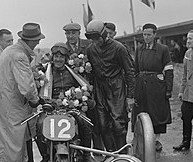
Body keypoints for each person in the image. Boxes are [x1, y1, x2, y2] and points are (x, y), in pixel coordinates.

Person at [0, 22, 44, 162]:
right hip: (12, 112)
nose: (39, 42)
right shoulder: (19, 55)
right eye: (37, 39)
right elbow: (26, 87)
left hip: (4, 110)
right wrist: (36, 100)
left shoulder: (10, 51)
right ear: (31, 41)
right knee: (13, 156)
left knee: (8, 158)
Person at [35, 42, 99, 162]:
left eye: (61, 56)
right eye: (56, 56)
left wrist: (77, 99)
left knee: (85, 122)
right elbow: (39, 91)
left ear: (66, 58)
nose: (58, 59)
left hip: (71, 105)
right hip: (51, 107)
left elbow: (83, 87)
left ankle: (86, 155)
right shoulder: (45, 71)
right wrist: (46, 101)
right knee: (40, 123)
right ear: (52, 57)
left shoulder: (73, 71)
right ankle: (45, 158)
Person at [85, 20, 135, 152]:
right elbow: (89, 73)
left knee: (118, 123)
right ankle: (111, 154)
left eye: (97, 38)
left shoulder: (119, 48)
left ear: (104, 34)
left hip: (116, 86)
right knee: (102, 124)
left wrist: (130, 96)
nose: (95, 42)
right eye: (92, 39)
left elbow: (129, 71)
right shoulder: (90, 49)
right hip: (100, 88)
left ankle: (122, 153)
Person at [63, 22, 104, 152]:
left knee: (94, 119)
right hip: (72, 91)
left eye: (73, 33)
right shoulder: (63, 49)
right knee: (77, 121)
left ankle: (98, 151)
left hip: (90, 88)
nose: (71, 36)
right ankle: (79, 154)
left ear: (78, 33)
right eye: (68, 33)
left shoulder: (88, 45)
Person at [132, 23, 174, 152]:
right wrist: (134, 87)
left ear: (155, 35)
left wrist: (168, 88)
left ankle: (156, 140)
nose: (146, 37)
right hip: (141, 85)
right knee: (141, 110)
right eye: (144, 34)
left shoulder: (163, 49)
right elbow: (136, 69)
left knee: (156, 112)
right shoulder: (139, 49)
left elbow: (168, 69)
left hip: (156, 86)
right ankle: (141, 139)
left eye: (149, 35)